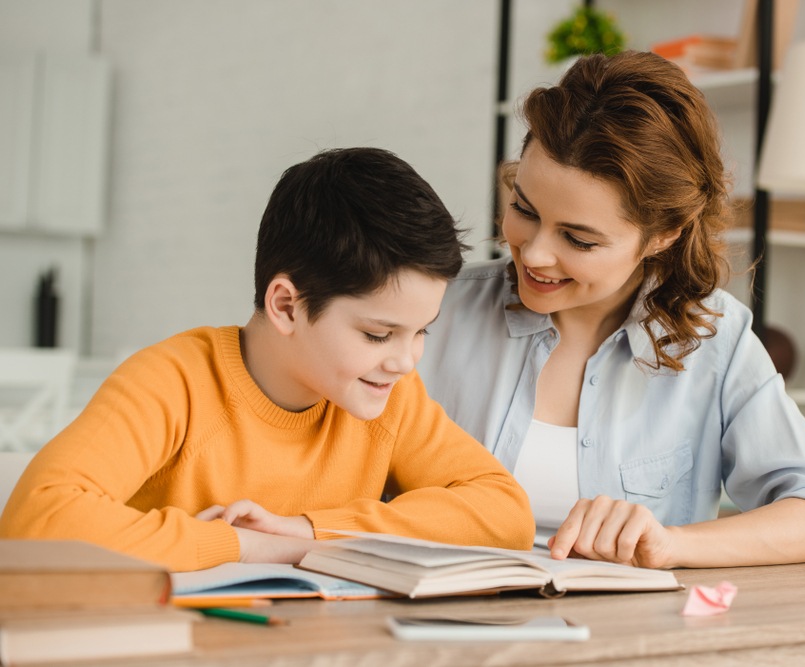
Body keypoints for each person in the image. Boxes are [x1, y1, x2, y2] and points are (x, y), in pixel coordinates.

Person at [417, 51, 805, 569]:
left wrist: (674, 544)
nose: (535, 252)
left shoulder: (713, 341)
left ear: (663, 235)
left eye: (579, 239)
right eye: (524, 209)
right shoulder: (431, 312)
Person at [0, 147, 534, 572]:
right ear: (286, 305)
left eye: (421, 332)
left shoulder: (388, 398)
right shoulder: (172, 382)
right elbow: (36, 520)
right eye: (378, 334)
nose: (405, 361)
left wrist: (306, 532)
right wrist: (244, 545)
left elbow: (505, 512)